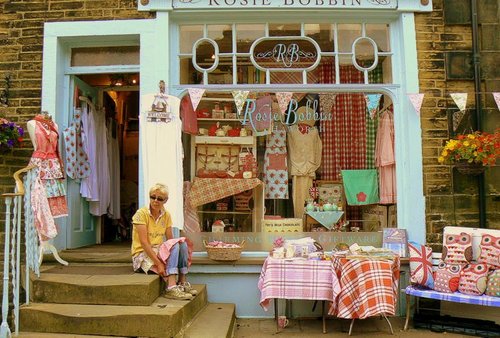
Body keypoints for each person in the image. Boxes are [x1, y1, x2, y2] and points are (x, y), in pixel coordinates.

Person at [131, 183, 197, 300]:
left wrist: (178, 249)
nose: (155, 201)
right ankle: (171, 287)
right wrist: (159, 263)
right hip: (142, 254)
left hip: (158, 251)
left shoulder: (166, 215)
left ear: (165, 200)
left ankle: (182, 281)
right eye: (153, 197)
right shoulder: (141, 214)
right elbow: (144, 243)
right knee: (175, 246)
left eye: (159, 198)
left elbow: (170, 240)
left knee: (180, 244)